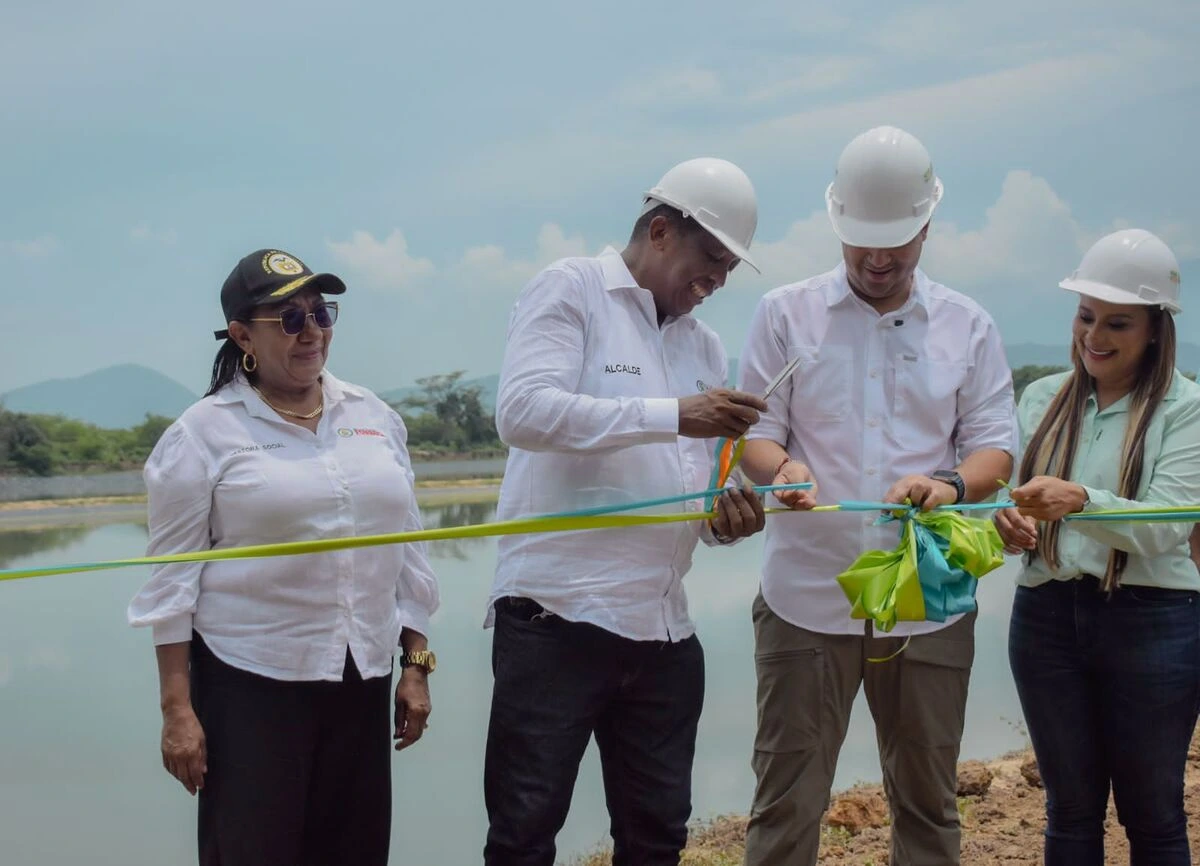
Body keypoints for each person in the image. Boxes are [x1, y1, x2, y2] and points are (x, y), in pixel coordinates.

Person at [735, 126, 1017, 866]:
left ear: (927, 225)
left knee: (927, 801)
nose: (880, 259)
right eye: (863, 242)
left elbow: (995, 447)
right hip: (805, 597)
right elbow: (754, 436)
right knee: (786, 801)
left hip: (926, 600)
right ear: (837, 225)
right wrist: (782, 470)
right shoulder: (784, 315)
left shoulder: (969, 325)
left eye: (897, 240)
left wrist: (949, 483)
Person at [483, 158, 770, 866]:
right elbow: (522, 413)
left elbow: (694, 489)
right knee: (524, 837)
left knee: (658, 837)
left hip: (664, 632)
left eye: (731, 268)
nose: (719, 282)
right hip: (557, 623)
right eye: (712, 260)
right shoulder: (572, 289)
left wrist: (726, 517)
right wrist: (675, 413)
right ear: (662, 230)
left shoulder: (703, 346)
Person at [127, 248, 440, 866]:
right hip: (250, 683)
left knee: (354, 850)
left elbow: (410, 556)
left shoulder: (375, 418)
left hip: (361, 675)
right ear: (243, 335)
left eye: (321, 314)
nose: (312, 332)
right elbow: (171, 587)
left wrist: (416, 665)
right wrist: (177, 711)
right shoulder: (202, 434)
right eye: (289, 319)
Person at [995, 229, 1200, 865]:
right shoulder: (1039, 398)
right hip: (1047, 619)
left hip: (1154, 621)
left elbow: (1168, 525)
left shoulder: (1185, 409)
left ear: (1155, 332)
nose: (1096, 337)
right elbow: (1009, 505)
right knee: (1069, 811)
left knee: (1154, 813)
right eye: (1087, 317)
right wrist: (1006, 525)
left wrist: (1082, 500)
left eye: (1118, 323)